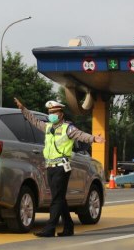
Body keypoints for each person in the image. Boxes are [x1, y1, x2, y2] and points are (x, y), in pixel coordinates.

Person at [14, 97, 105, 237]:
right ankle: (68, 227)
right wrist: (23, 109)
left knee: (56, 198)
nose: (51, 115)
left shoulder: (67, 128)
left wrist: (94, 139)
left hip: (62, 168)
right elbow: (34, 121)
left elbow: (80, 135)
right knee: (60, 198)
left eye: (54, 112)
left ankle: (50, 228)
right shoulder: (48, 127)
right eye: (50, 112)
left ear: (61, 114)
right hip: (50, 167)